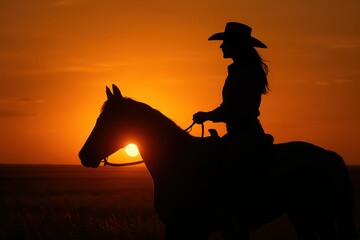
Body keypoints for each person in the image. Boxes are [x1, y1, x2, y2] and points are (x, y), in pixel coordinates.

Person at [192, 22, 274, 238]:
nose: (221, 47)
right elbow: (232, 107)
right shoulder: (242, 70)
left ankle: (236, 218)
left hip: (244, 134)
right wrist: (211, 115)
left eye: (225, 42)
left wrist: (209, 116)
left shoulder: (244, 72)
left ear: (236, 45)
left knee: (223, 173)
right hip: (241, 132)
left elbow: (237, 109)